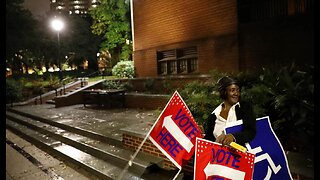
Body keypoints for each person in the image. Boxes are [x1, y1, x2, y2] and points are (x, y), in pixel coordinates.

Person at [204, 76, 256, 146]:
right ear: (224, 92)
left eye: (238, 90)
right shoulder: (214, 115)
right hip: (221, 155)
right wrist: (201, 134)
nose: (236, 93)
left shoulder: (245, 108)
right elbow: (209, 140)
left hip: (241, 154)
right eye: (232, 90)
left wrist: (233, 137)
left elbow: (250, 131)